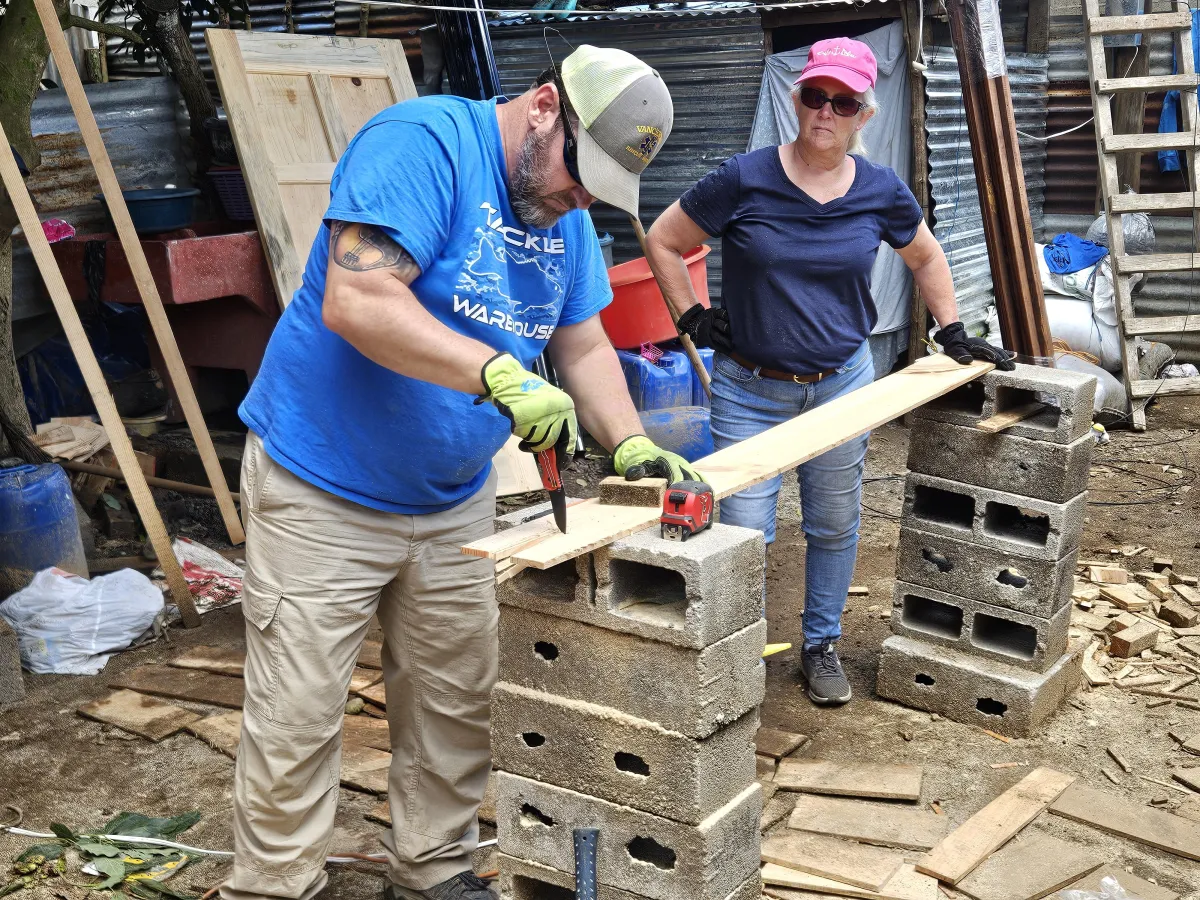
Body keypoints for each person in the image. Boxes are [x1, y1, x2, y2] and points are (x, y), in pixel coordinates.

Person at [226, 45, 698, 900]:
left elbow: (583, 344)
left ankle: (433, 870)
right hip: (323, 483)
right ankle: (273, 885)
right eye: (580, 174)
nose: (582, 199)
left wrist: (629, 442)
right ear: (546, 107)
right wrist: (498, 373)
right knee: (297, 712)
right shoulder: (423, 143)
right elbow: (358, 299)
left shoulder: (566, 217)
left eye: (601, 189)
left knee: (454, 699)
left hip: (452, 498)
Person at [645, 37, 1013, 708]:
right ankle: (737, 653)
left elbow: (926, 257)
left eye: (843, 103)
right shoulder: (744, 178)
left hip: (842, 385)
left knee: (835, 523)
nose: (826, 112)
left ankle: (820, 644)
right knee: (742, 533)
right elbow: (664, 239)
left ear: (863, 115)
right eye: (816, 96)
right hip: (748, 390)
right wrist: (692, 315)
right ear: (797, 100)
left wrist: (952, 328)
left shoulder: (880, 190)